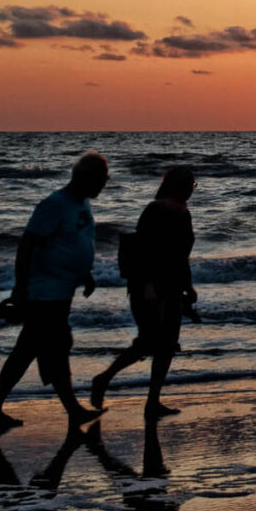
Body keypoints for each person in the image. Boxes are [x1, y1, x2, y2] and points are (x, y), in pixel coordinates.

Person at [0, 151, 109, 430]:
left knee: (28, 350)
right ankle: (73, 410)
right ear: (85, 178)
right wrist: (20, 287)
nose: (105, 184)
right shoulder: (54, 204)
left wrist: (85, 273)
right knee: (56, 347)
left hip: (62, 291)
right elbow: (27, 245)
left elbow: (77, 240)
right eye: (101, 179)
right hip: (44, 292)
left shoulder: (81, 203)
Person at [92, 164, 197, 416]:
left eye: (192, 185)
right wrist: (148, 285)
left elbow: (181, 256)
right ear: (172, 185)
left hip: (172, 286)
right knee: (148, 342)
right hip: (147, 285)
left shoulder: (184, 213)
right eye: (185, 184)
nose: (189, 190)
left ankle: (153, 402)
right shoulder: (155, 210)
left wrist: (188, 286)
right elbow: (142, 250)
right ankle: (104, 379)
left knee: (167, 344)